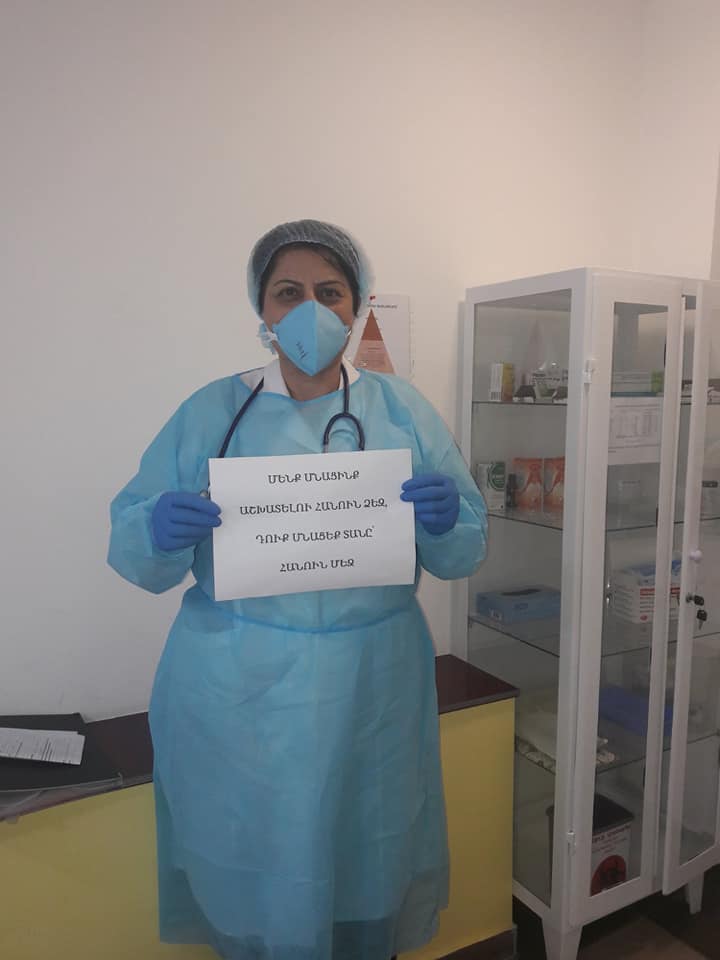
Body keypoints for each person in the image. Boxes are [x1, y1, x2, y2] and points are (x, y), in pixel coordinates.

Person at [108, 219, 488, 960]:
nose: (310, 310)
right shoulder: (212, 412)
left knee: (369, 847)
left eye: (329, 291)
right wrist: (156, 529)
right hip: (239, 687)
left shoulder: (401, 411)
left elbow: (461, 549)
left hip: (373, 684)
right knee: (254, 856)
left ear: (356, 303)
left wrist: (447, 521)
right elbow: (136, 552)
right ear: (261, 307)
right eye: (288, 292)